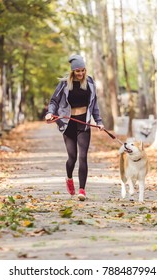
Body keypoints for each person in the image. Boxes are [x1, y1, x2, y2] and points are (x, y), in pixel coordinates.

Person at [45, 54, 104, 201]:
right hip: (68, 123)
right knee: (72, 157)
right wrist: (50, 113)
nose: (81, 73)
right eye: (77, 71)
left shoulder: (90, 82)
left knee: (83, 156)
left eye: (83, 70)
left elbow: (94, 104)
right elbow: (54, 100)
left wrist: (99, 121)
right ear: (72, 72)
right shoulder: (65, 84)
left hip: (84, 123)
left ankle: (82, 190)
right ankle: (69, 178)